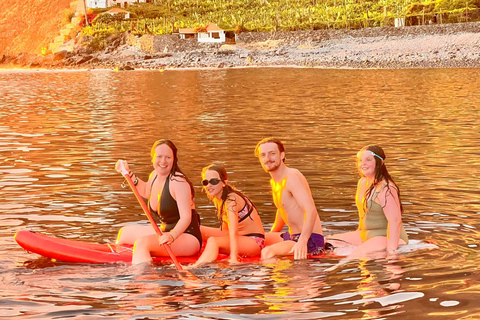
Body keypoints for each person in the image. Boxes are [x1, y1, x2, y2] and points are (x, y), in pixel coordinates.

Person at [115, 139, 202, 265]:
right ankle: (117, 259)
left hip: (187, 237)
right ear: (152, 158)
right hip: (164, 231)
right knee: (123, 233)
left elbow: (186, 217)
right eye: (159, 156)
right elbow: (146, 191)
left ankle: (145, 278)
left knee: (142, 243)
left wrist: (172, 236)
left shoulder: (178, 182)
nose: (163, 161)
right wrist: (128, 173)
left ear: (174, 159)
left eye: (168, 157)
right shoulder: (155, 175)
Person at [327, 145, 409, 265]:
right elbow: (363, 214)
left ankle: (329, 270)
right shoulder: (362, 182)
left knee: (354, 256)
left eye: (368, 160)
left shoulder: (386, 189)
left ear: (379, 162)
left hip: (386, 236)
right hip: (367, 233)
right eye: (360, 160)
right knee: (327, 242)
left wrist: (392, 252)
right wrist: (355, 235)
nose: (363, 164)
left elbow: (395, 221)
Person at [255, 137, 325, 260]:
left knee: (267, 252)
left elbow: (310, 209)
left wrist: (302, 242)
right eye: (263, 155)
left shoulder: (291, 176)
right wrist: (271, 234)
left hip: (310, 239)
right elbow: (282, 209)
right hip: (293, 237)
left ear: (282, 155)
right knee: (257, 240)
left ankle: (273, 279)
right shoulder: (274, 181)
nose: (268, 159)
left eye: (272, 154)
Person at [193, 163, 265, 266]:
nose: (209, 185)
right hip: (241, 237)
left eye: (213, 181)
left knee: (213, 241)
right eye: (205, 182)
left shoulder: (231, 199)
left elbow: (233, 230)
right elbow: (225, 229)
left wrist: (233, 257)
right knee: (197, 228)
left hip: (254, 242)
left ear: (224, 182)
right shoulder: (218, 198)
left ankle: (196, 267)